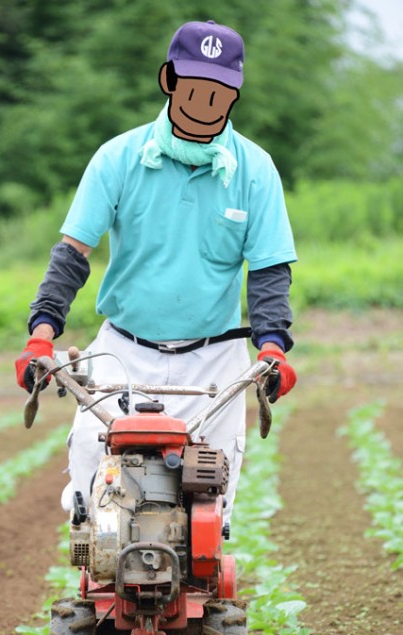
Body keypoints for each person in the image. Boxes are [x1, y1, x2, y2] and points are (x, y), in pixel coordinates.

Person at [15, 20, 297, 529]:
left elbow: (270, 272)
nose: (205, 101)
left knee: (209, 501)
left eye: (219, 91)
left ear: (234, 95)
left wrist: (273, 347)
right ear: (168, 80)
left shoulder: (255, 170)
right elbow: (72, 254)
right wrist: (41, 335)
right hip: (124, 353)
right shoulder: (117, 158)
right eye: (193, 87)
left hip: (215, 366)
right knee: (90, 478)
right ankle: (97, 576)